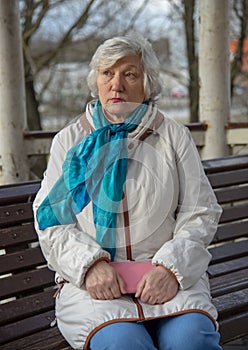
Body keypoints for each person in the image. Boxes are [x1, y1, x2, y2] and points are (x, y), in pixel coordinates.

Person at [33, 34, 223, 350]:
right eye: (108, 73)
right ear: (96, 81)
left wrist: (171, 269)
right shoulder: (69, 141)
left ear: (147, 85)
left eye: (129, 74)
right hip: (94, 287)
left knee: (191, 341)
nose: (116, 85)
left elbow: (200, 211)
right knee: (124, 344)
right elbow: (51, 220)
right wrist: (90, 265)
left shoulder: (173, 136)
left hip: (167, 280)